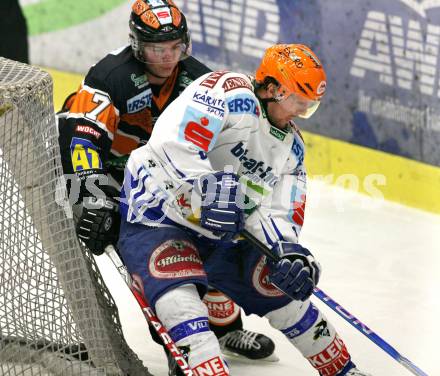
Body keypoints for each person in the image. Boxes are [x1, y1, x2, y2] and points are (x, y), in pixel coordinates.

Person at [118, 43, 372, 376]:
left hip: (223, 232)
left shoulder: (291, 150)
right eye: (297, 101)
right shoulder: (226, 92)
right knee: (178, 298)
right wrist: (205, 192)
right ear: (272, 88)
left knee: (281, 289)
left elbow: (280, 212)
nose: (300, 112)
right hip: (160, 214)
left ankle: (343, 370)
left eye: (308, 107)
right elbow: (175, 144)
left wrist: (289, 252)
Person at [57, 0, 277, 367]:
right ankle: (181, 349)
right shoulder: (111, 75)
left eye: (174, 47)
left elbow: (223, 142)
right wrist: (92, 195)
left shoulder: (199, 80)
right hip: (107, 175)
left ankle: (224, 327)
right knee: (154, 265)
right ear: (137, 45)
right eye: (156, 48)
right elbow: (80, 136)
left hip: (163, 178)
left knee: (213, 238)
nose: (166, 57)